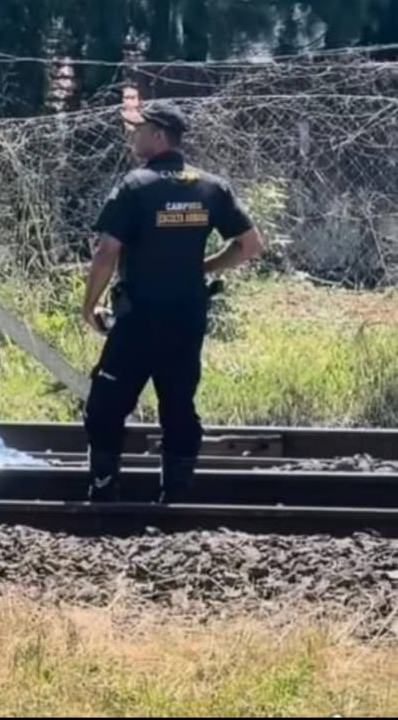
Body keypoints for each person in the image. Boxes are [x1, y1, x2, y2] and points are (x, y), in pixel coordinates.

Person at [80, 100, 263, 504]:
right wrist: (204, 268)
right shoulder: (211, 187)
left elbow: (107, 252)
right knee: (178, 404)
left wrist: (88, 305)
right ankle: (175, 498)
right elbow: (250, 246)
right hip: (187, 319)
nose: (133, 136)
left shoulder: (134, 186)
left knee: (105, 406)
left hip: (138, 319)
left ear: (159, 136)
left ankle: (104, 491)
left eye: (139, 129)